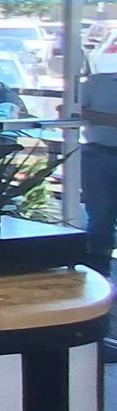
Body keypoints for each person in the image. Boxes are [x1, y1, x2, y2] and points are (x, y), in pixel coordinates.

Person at [80, 71, 117, 278]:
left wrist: (96, 116)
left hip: (98, 155)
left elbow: (84, 112)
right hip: (98, 153)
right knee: (100, 220)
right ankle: (98, 281)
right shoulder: (99, 81)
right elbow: (71, 109)